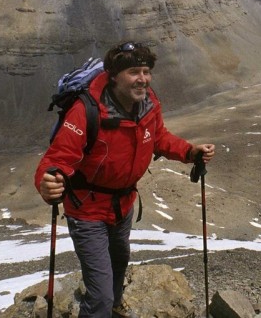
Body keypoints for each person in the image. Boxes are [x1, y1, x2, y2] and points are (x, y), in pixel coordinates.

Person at [35, 42, 216, 318]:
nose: (142, 78)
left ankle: (116, 305)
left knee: (119, 262)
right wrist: (47, 182)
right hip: (87, 211)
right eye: (134, 71)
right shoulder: (87, 110)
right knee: (100, 296)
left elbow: (159, 138)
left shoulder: (149, 104)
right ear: (113, 75)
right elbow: (58, 157)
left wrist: (189, 151)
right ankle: (104, 307)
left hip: (123, 205)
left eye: (146, 71)